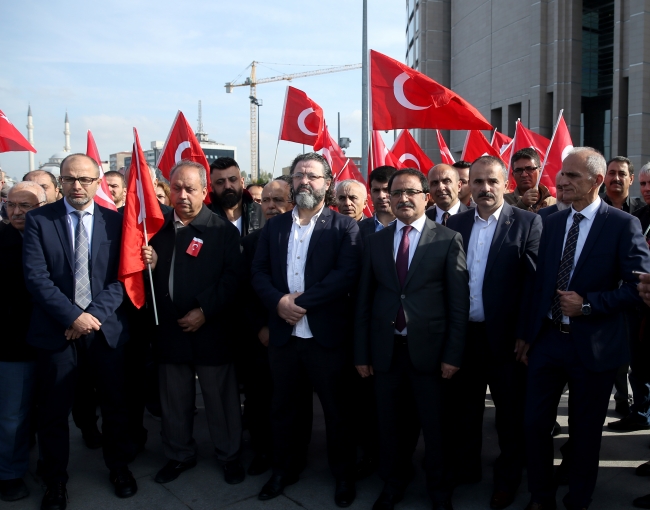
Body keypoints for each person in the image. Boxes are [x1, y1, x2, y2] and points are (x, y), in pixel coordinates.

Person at [521, 147, 650, 510]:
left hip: (594, 347)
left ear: (596, 181)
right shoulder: (548, 222)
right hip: (548, 342)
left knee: (585, 432)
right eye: (562, 173)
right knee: (533, 425)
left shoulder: (623, 225)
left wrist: (588, 305)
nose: (562, 180)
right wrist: (527, 335)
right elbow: (537, 285)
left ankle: (578, 500)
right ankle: (541, 497)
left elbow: (637, 289)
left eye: (572, 175)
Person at [23, 154, 137, 509]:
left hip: (105, 331)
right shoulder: (40, 220)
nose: (77, 186)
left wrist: (90, 317)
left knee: (115, 405)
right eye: (70, 179)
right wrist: (73, 317)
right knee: (53, 411)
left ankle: (119, 468)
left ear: (97, 182)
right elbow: (36, 277)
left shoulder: (116, 222)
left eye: (85, 179)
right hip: (56, 332)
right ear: (60, 182)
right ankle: (55, 480)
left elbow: (122, 278)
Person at [354, 168, 469, 510]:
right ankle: (394, 483)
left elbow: (458, 305)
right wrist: (362, 354)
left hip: (431, 356)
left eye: (411, 192)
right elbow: (363, 301)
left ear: (426, 197)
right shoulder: (374, 242)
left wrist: (453, 355)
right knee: (390, 427)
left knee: (436, 428)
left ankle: (439, 490)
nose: (403, 198)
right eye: (396, 193)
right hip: (386, 353)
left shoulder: (447, 239)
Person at [251, 152, 361, 507]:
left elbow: (344, 275)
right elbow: (258, 272)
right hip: (284, 337)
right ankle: (285, 469)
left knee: (337, 412)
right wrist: (278, 302)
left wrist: (300, 303)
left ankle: (343, 475)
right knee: (285, 408)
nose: (304, 181)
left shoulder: (344, 227)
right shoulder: (274, 227)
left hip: (325, 337)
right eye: (299, 175)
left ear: (327, 183)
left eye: (312, 176)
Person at [445, 156, 542, 509]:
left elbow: (533, 285)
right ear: (468, 185)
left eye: (492, 182)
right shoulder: (456, 223)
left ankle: (507, 479)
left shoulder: (528, 222)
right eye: (478, 181)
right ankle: (467, 468)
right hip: (465, 337)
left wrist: (525, 333)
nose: (485, 188)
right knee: (465, 411)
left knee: (509, 416)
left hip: (507, 340)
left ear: (506, 184)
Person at [141, 160, 244, 486]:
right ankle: (178, 454)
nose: (182, 195)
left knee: (220, 399)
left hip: (211, 330)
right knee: (174, 400)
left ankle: (229, 455)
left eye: (190, 188)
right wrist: (149, 267)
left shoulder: (221, 230)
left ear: (204, 190)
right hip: (170, 330)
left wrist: (204, 310)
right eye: (176, 188)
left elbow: (232, 280)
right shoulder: (155, 230)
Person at [240, 177, 313, 478]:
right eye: (265, 200)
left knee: (296, 400)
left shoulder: (305, 238)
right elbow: (245, 291)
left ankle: (297, 453)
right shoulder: (250, 242)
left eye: (278, 200)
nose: (270, 206)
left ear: (292, 203)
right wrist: (261, 326)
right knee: (259, 398)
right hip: (262, 337)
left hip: (298, 333)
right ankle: (262, 451)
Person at [0, 182, 46, 502]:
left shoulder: (52, 236)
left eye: (25, 206)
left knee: (48, 411)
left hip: (53, 338)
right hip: (12, 342)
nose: (16, 212)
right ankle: (10, 474)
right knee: (12, 415)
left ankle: (47, 464)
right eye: (11, 205)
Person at [208, 157, 264, 236]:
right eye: (220, 182)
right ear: (212, 187)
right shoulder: (204, 219)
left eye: (233, 179)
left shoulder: (262, 214)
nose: (227, 186)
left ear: (242, 182)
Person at [504, 147, 557, 213]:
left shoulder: (554, 203)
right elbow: (501, 218)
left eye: (529, 169)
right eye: (518, 170)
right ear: (513, 174)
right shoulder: (503, 201)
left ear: (540, 171)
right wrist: (522, 205)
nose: (524, 174)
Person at [358, 166, 397, 240]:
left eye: (386, 190)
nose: (381, 196)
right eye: (376, 190)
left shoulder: (409, 228)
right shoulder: (358, 230)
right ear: (370, 193)